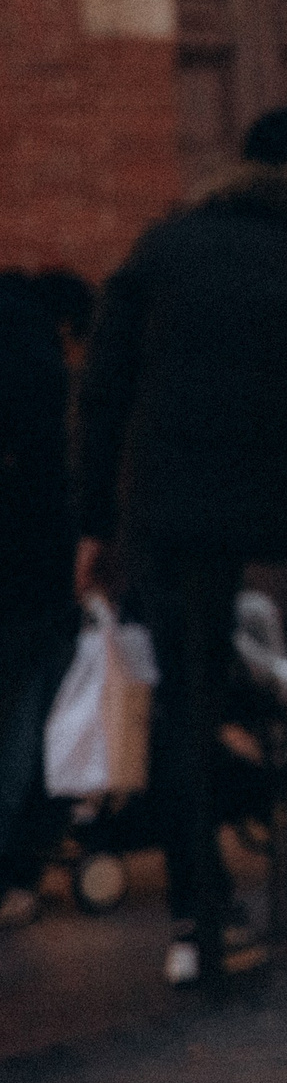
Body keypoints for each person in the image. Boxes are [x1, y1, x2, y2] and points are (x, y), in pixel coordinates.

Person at [75, 105, 287, 985]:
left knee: (186, 696)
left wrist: (95, 523)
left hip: (177, 509)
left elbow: (105, 395)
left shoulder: (165, 248)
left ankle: (201, 914)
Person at [0, 269, 91, 927]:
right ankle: (13, 873)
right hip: (28, 567)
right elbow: (44, 466)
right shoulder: (30, 348)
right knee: (27, 715)